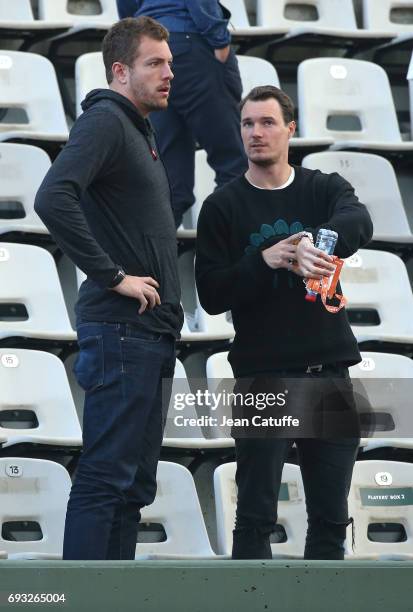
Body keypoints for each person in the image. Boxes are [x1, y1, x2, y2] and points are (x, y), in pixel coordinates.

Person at [195, 85, 373, 560]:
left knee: (332, 520)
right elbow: (210, 294)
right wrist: (265, 259)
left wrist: (318, 243)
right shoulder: (223, 206)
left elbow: (359, 220)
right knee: (255, 517)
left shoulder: (323, 188)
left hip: (329, 372)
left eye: (267, 122)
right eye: (248, 123)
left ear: (290, 129)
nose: (257, 133)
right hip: (263, 375)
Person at [34, 17, 183, 560]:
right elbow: (52, 197)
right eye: (155, 63)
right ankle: (85, 598)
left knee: (132, 487)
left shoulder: (137, 128)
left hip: (149, 333)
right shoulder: (105, 122)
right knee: (106, 479)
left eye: (169, 62)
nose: (169, 73)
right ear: (120, 71)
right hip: (121, 333)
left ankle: (113, 594)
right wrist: (113, 276)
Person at [117, 0, 248, 228]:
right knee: (233, 166)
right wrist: (220, 42)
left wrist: (142, 38)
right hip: (193, 42)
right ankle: (218, 252)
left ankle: (147, 261)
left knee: (172, 183)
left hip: (150, 50)